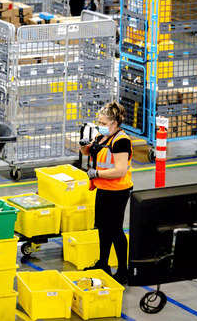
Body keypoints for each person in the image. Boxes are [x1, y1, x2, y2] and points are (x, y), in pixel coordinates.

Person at [80, 101, 133, 285]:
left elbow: (120, 170)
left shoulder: (121, 141)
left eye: (103, 123)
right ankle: (103, 264)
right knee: (102, 228)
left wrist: (97, 173)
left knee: (115, 230)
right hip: (102, 189)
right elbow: (91, 152)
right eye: (99, 122)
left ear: (114, 123)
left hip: (117, 192)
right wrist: (83, 146)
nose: (100, 126)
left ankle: (123, 271)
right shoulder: (101, 137)